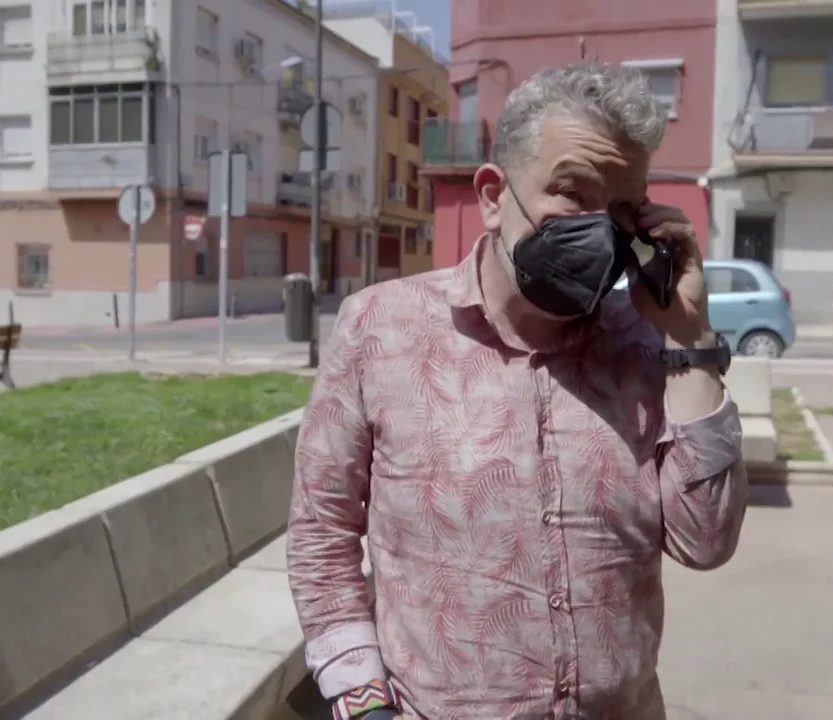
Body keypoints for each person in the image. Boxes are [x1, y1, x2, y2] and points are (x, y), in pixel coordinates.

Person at [287, 61, 749, 720]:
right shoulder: (379, 329)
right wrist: (363, 705)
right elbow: (321, 535)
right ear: (492, 194)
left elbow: (706, 544)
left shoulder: (650, 346)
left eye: (623, 209)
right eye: (572, 193)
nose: (600, 228)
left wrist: (691, 340)